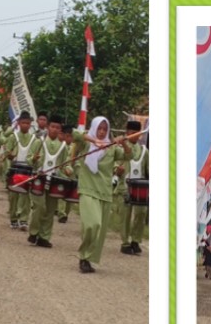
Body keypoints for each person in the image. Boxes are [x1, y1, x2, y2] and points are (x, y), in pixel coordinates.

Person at [72, 116, 131, 273]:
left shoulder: (112, 148)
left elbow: (128, 156)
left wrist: (123, 142)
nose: (102, 131)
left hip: (104, 192)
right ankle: (83, 254)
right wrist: (93, 140)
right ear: (94, 128)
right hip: (87, 189)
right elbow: (74, 133)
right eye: (99, 128)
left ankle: (87, 259)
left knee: (100, 230)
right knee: (93, 224)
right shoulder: (86, 144)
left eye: (105, 129)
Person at [26, 117, 71, 248]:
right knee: (39, 207)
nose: (55, 130)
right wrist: (33, 159)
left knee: (50, 210)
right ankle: (33, 232)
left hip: (54, 182)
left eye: (58, 128)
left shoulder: (63, 147)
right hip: (39, 180)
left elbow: (65, 164)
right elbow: (29, 159)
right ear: (47, 127)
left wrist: (68, 169)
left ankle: (44, 237)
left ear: (60, 130)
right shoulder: (38, 142)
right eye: (52, 127)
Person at [118, 120, 149, 256]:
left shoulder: (145, 151)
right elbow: (115, 166)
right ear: (127, 133)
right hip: (124, 187)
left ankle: (136, 240)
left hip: (140, 189)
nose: (134, 136)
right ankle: (125, 243)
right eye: (131, 133)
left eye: (136, 133)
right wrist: (117, 170)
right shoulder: (121, 149)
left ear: (140, 135)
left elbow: (148, 170)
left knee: (141, 214)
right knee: (125, 215)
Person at [2, 111, 36, 230]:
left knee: (26, 196)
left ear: (30, 124)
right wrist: (9, 155)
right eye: (23, 123)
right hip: (15, 168)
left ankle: (24, 219)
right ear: (19, 123)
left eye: (28, 123)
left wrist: (35, 159)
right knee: (13, 195)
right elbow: (7, 152)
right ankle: (13, 218)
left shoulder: (34, 139)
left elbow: (35, 155)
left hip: (27, 169)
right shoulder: (13, 137)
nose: (25, 125)